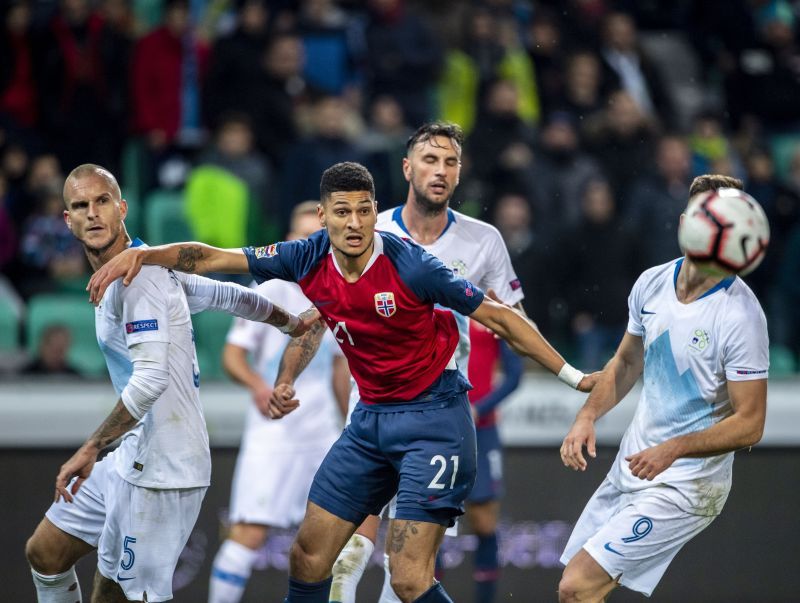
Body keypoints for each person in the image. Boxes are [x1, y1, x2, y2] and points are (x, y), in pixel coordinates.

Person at [86, 161, 596, 603]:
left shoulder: (413, 265)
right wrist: (144, 255)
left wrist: (572, 377)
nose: (355, 223)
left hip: (435, 420)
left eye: (364, 210)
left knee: (409, 579)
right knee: (307, 557)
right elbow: (216, 258)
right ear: (324, 215)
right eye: (343, 212)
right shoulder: (305, 256)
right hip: (370, 420)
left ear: (376, 211)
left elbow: (502, 318)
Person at [24, 164, 318, 603]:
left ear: (122, 208)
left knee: (126, 597)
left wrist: (90, 448)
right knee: (45, 552)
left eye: (102, 201)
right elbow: (225, 294)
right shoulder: (148, 265)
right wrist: (289, 322)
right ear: (67, 219)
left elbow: (151, 379)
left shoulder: (139, 279)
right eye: (80, 206)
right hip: (132, 456)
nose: (93, 213)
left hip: (166, 470)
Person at [285, 122, 530, 603]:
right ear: (407, 168)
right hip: (370, 407)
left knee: (407, 576)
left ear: (460, 172)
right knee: (342, 560)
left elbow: (513, 320)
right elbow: (318, 313)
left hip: (435, 409)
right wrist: (287, 377)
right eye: (429, 160)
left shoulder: (484, 240)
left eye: (450, 162)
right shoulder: (368, 226)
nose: (439, 171)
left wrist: (565, 373)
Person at [557, 174, 768, 601]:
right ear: (686, 222)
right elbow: (626, 361)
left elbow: (751, 425)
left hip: (686, 486)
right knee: (578, 592)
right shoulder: (652, 283)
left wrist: (673, 448)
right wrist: (586, 417)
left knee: (578, 586)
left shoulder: (742, 316)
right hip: (632, 468)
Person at [208, 202, 351, 603]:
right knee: (249, 533)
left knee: (331, 538)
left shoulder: (339, 291)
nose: (308, 245)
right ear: (288, 241)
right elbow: (232, 356)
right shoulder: (269, 288)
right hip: (273, 433)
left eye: (316, 238)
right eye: (301, 236)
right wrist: (259, 386)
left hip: (322, 431)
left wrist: (347, 425)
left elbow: (340, 369)